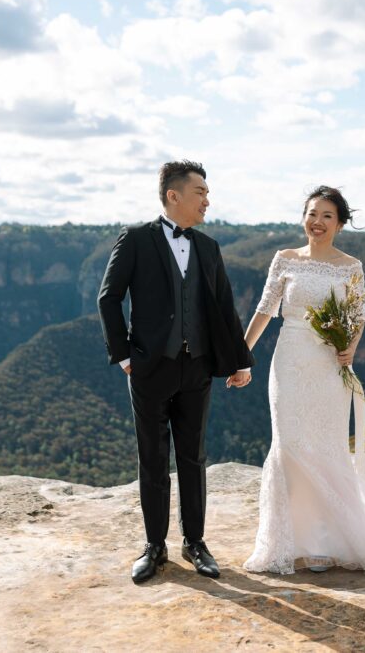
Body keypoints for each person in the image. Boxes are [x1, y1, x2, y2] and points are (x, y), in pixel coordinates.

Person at [97, 160, 255, 584]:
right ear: (174, 195)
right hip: (149, 367)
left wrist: (239, 362)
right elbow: (108, 299)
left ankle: (196, 542)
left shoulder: (209, 247)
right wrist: (125, 357)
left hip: (197, 367)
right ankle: (154, 546)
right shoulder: (135, 239)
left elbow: (223, 308)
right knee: (152, 459)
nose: (207, 199)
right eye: (201, 191)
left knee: (193, 456)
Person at [242, 186, 365, 574]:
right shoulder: (285, 259)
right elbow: (264, 309)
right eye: (312, 213)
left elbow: (357, 315)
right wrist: (242, 355)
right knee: (289, 443)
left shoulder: (350, 266)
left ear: (340, 223)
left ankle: (325, 541)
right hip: (289, 362)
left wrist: (351, 349)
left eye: (327, 215)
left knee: (325, 445)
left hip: (329, 364)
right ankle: (287, 540)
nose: (318, 222)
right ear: (303, 218)